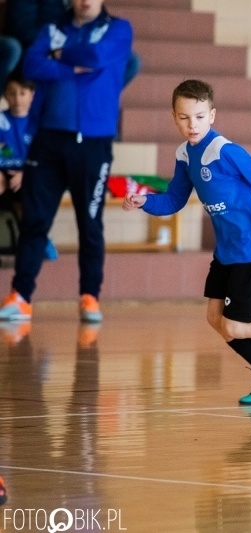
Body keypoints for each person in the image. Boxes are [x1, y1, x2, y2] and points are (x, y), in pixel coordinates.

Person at [123, 79, 251, 405]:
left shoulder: (224, 151)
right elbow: (174, 201)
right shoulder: (184, 155)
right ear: (174, 118)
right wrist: (143, 201)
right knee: (215, 319)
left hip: (250, 249)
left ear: (212, 115)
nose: (192, 124)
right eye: (185, 117)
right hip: (226, 252)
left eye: (200, 116)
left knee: (235, 326)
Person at [0, 0, 132, 323]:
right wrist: (72, 64)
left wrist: (58, 55)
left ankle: (89, 296)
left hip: (93, 143)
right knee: (35, 221)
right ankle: (21, 296)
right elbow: (31, 65)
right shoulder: (53, 28)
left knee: (90, 225)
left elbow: (98, 57)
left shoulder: (118, 29)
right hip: (47, 140)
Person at [2, 0, 140, 88]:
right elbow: (21, 29)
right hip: (42, 50)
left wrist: (75, 52)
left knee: (129, 60)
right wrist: (59, 49)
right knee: (13, 48)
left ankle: (96, 104)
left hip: (74, 48)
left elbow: (96, 22)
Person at [0, 72, 58, 262]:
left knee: (29, 196)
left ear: (32, 95)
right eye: (12, 93)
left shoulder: (41, 123)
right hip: (3, 174)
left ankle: (40, 240)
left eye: (22, 93)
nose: (17, 99)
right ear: (5, 96)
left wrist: (26, 174)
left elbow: (47, 160)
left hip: (29, 175)